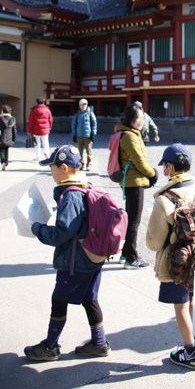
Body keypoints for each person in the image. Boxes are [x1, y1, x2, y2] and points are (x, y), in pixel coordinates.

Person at [24, 145, 110, 361]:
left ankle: (50, 347)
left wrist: (37, 228)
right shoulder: (84, 184)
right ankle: (99, 343)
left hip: (75, 260)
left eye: (52, 168)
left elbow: (62, 233)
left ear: (63, 168)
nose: (50, 173)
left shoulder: (71, 196)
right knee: (90, 299)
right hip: (91, 257)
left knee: (59, 300)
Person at [146, 143, 195, 370]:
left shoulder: (165, 199)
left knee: (180, 306)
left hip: (179, 263)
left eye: (165, 166)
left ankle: (190, 352)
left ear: (169, 167)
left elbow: (154, 241)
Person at [115, 104, 157, 270]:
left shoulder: (126, 133)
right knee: (134, 220)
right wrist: (152, 173)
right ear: (131, 119)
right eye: (139, 118)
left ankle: (125, 253)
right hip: (134, 182)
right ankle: (131, 258)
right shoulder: (130, 137)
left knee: (131, 217)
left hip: (131, 180)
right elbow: (139, 161)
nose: (141, 121)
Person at [72, 99, 97, 171]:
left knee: (89, 151)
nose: (84, 106)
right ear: (79, 105)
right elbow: (73, 125)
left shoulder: (90, 114)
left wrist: (93, 134)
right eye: (82, 104)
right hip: (79, 136)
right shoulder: (76, 115)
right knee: (80, 152)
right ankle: (82, 164)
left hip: (88, 136)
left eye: (85, 104)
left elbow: (94, 124)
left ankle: (88, 164)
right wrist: (74, 135)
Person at [0, 104, 17, 170]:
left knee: (1, 150)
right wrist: (14, 139)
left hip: (1, 137)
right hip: (9, 138)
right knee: (6, 150)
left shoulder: (0, 118)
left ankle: (3, 162)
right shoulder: (12, 119)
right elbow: (14, 130)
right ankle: (6, 163)